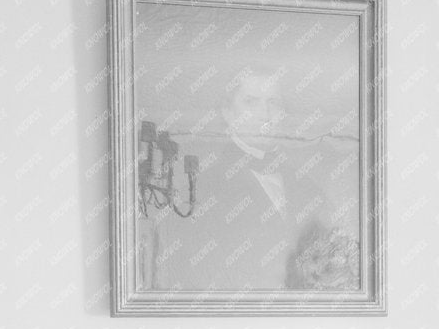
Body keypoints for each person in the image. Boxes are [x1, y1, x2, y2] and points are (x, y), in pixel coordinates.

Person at [148, 67, 358, 293]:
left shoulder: (309, 189)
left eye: (274, 102)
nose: (265, 113)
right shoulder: (202, 191)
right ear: (227, 113)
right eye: (251, 101)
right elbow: (192, 276)